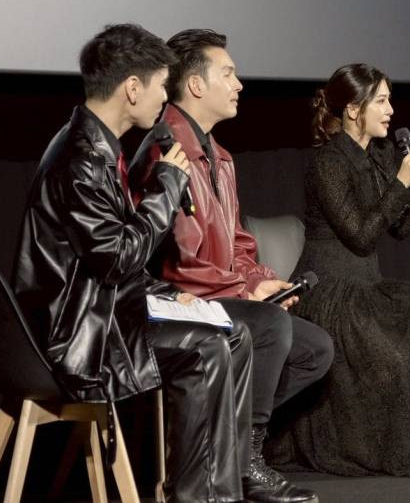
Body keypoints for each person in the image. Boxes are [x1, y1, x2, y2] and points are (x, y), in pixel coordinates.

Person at [11, 24, 253, 502]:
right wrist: (166, 190)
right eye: (162, 85)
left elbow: (110, 260)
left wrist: (170, 294)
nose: (166, 97)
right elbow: (117, 260)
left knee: (234, 333)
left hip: (103, 314)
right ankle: (200, 496)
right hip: (79, 335)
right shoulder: (81, 159)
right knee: (205, 348)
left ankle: (219, 490)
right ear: (133, 88)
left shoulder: (100, 147)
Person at [130, 29, 331, 503]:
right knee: (269, 326)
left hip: (220, 297)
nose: (239, 84)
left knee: (315, 350)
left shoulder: (220, 156)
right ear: (196, 85)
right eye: (229, 73)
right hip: (178, 304)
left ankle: (225, 444)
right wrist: (246, 293)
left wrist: (262, 280)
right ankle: (243, 465)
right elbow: (179, 263)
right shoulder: (167, 150)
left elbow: (238, 243)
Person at [264, 64, 410, 477]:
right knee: (391, 357)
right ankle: (382, 449)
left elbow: (399, 228)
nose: (390, 110)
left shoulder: (380, 156)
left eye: (389, 100)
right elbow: (361, 236)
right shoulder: (327, 162)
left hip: (366, 285)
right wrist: (401, 182)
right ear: (354, 109)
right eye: (381, 101)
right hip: (329, 290)